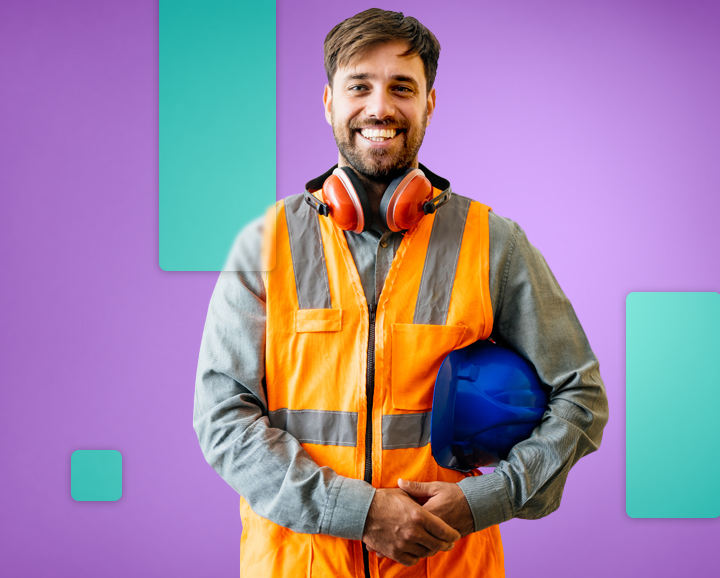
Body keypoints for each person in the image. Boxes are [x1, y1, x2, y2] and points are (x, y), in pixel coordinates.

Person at [194, 8, 608, 578]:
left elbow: (581, 398)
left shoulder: (493, 243)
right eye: (358, 86)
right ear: (328, 102)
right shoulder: (265, 246)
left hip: (448, 566)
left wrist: (483, 501)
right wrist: (359, 513)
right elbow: (222, 419)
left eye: (402, 88)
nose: (379, 107)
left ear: (429, 105)